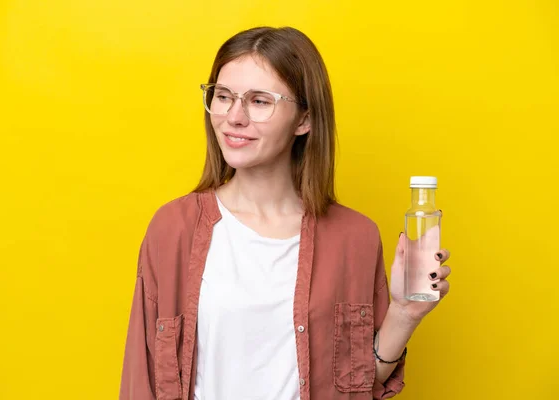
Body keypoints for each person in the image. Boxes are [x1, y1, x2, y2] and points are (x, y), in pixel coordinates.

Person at [119, 26, 452, 400]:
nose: (234, 117)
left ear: (304, 120)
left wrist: (404, 315)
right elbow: (140, 381)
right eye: (224, 96)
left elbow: (357, 388)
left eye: (260, 101)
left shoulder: (355, 238)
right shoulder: (172, 229)